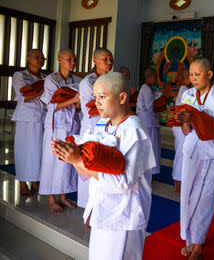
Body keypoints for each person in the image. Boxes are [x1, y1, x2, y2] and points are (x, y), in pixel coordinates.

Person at [51, 72, 155, 260]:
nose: (96, 102)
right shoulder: (103, 124)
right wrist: (71, 156)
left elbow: (122, 183)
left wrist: (78, 160)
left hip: (124, 217)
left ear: (122, 97)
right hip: (103, 210)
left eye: (102, 97)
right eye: (95, 97)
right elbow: (91, 172)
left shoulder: (135, 131)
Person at [177, 58, 214, 259]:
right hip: (193, 151)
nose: (193, 79)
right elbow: (186, 129)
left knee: (206, 198)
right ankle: (190, 239)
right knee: (189, 195)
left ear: (209, 75)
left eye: (197, 74)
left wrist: (195, 118)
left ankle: (199, 244)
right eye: (191, 75)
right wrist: (184, 121)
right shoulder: (188, 94)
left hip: (213, 152)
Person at [39, 49, 81, 213]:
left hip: (71, 124)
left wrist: (77, 104)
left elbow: (77, 108)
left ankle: (63, 196)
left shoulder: (76, 80)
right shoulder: (51, 79)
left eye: (74, 59)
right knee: (53, 161)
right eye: (69, 59)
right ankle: (51, 199)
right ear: (59, 60)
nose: (72, 62)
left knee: (67, 161)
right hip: (56, 126)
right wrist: (74, 99)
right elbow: (51, 105)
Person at [77, 48, 114, 208]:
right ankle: (88, 206)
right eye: (105, 59)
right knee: (90, 165)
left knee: (105, 167)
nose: (109, 62)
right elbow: (89, 107)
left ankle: (103, 204)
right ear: (95, 60)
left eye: (110, 59)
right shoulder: (88, 81)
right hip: (92, 128)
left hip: (109, 128)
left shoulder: (113, 79)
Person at [11, 49, 47, 196]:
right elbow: (24, 96)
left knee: (38, 151)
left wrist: (41, 91)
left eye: (42, 58)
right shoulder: (20, 75)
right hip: (26, 117)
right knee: (24, 150)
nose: (40, 59)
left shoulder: (45, 77)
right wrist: (41, 91)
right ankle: (22, 183)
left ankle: (35, 182)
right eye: (37, 57)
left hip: (41, 117)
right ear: (28, 59)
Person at [136, 68, 161, 175]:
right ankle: (148, 172)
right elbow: (150, 107)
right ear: (149, 77)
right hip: (148, 123)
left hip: (149, 122)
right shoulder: (146, 89)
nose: (156, 79)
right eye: (155, 77)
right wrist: (161, 100)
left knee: (152, 148)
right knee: (151, 148)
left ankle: (148, 172)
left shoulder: (147, 88)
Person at [172, 68, 191, 193]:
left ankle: (179, 186)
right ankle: (178, 187)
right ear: (188, 77)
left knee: (181, 155)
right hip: (181, 127)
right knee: (181, 156)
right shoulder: (185, 90)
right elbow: (184, 109)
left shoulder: (185, 89)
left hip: (180, 126)